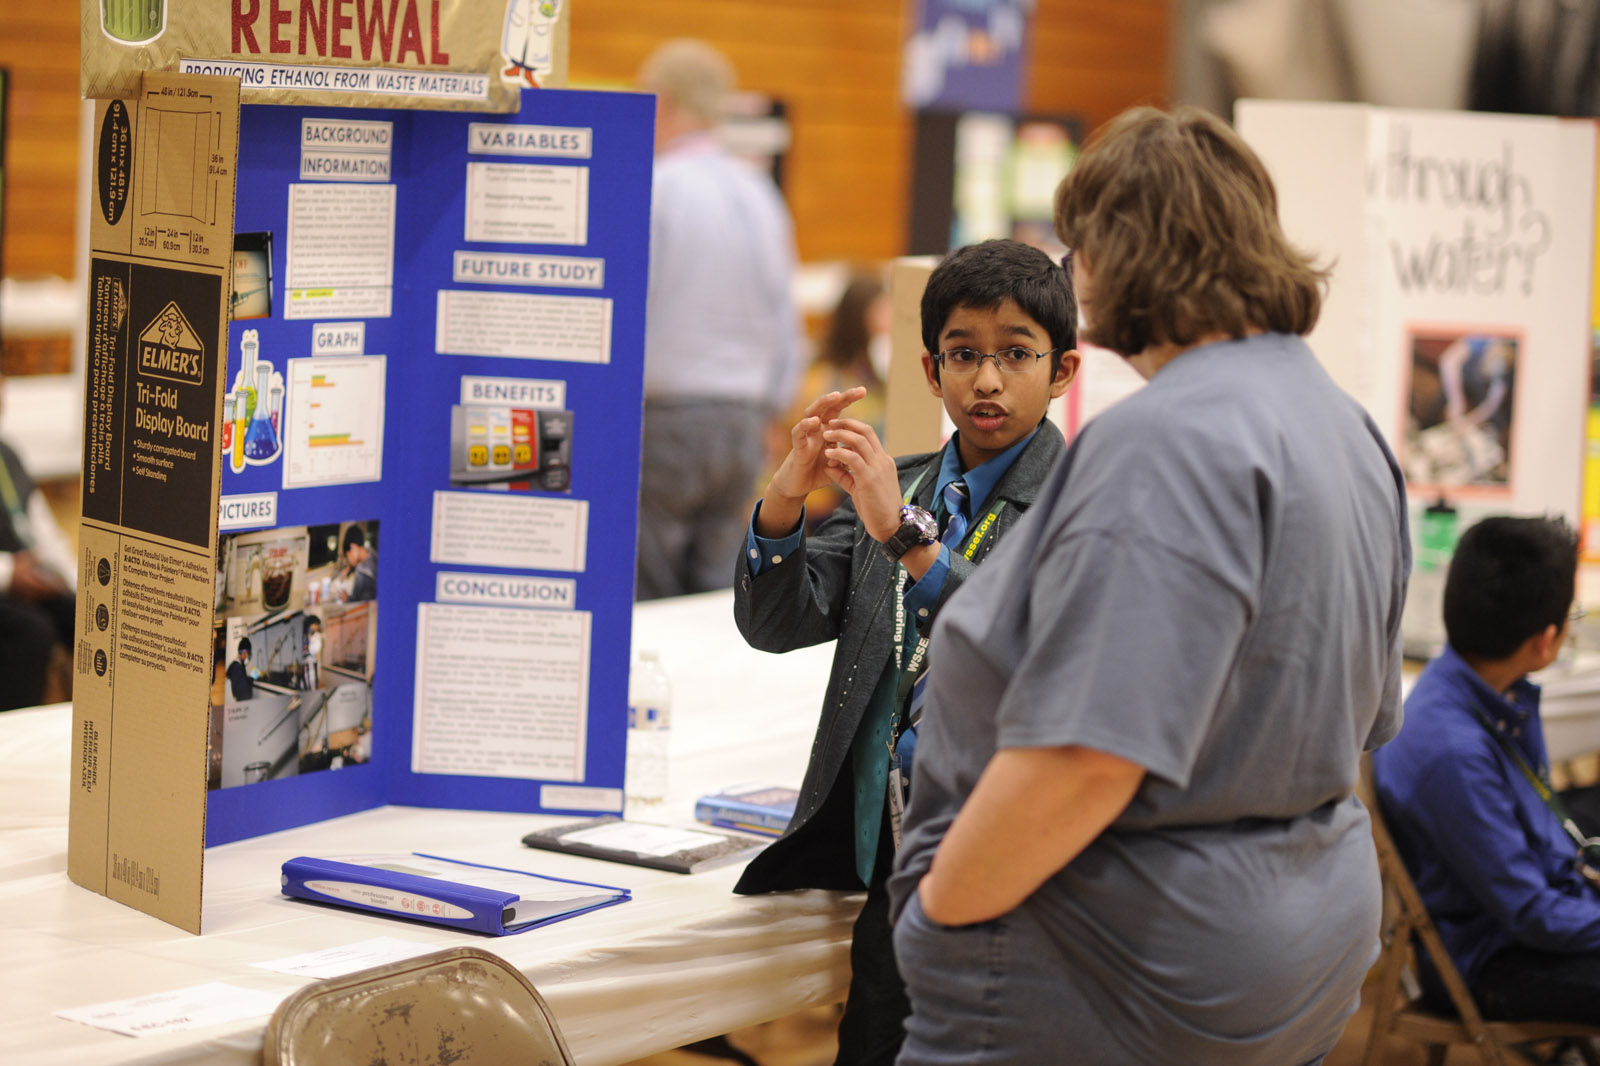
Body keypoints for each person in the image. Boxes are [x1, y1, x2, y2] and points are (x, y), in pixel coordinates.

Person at [887, 106, 1411, 1066]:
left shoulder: (1168, 440)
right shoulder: (1342, 424)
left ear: (1123, 255)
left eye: (1078, 251)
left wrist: (936, 909)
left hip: (1107, 962)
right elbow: (1369, 719)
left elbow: (1087, 756)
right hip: (1283, 934)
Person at [733, 239, 1078, 1066]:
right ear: (930, 371)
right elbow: (779, 623)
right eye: (963, 355)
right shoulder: (906, 482)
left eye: (1015, 355)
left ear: (1062, 371)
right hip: (884, 850)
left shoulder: (1081, 504)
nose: (986, 380)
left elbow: (1014, 646)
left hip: (1006, 862)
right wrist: (787, 497)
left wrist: (903, 535)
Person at [1374, 516, 1600, 1025]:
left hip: (1523, 907)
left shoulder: (1485, 686)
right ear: (1545, 641)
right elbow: (1533, 915)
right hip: (1491, 957)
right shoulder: (1453, 751)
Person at [634, 38, 802, 601]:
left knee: (650, 593)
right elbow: (786, 313)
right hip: (744, 420)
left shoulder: (658, 188)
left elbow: (635, 301)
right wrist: (774, 408)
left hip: (667, 419)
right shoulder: (759, 192)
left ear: (663, 99)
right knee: (714, 595)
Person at [0, 370, 77, 711]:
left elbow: (42, 530)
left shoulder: (7, 455)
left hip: (29, 579)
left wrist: (73, 581)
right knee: (33, 632)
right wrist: (8, 574)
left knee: (84, 615)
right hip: (5, 583)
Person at [338, 525, 376, 603]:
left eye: (348, 556)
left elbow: (360, 604)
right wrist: (348, 569)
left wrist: (347, 599)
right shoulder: (372, 553)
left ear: (353, 547)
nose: (349, 560)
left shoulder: (363, 573)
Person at [227, 637, 255, 702]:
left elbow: (241, 682)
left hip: (239, 699)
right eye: (248, 653)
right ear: (244, 652)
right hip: (243, 701)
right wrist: (253, 677)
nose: (247, 656)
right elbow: (245, 691)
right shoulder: (238, 668)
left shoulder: (235, 665)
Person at [302, 614, 322, 690]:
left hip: (311, 663)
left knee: (312, 684)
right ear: (310, 624)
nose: (318, 627)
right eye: (316, 624)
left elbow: (314, 650)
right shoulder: (305, 635)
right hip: (305, 664)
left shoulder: (316, 636)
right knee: (307, 685)